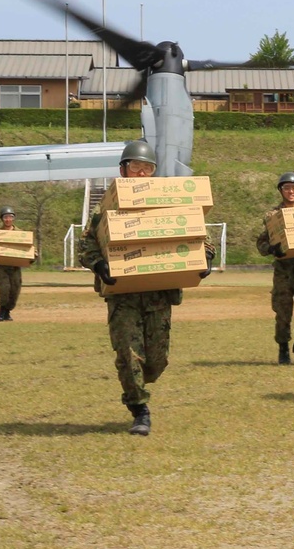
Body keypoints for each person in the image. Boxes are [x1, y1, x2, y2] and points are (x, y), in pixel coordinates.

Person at [78, 140, 215, 436]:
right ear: (123, 170)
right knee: (129, 355)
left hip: (159, 294)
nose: (141, 174)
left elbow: (196, 233)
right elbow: (87, 245)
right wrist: (100, 265)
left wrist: (206, 257)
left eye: (147, 169)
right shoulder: (105, 209)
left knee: (157, 360)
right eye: (136, 167)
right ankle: (140, 409)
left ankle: (139, 382)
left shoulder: (167, 203)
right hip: (122, 295)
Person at [255, 172, 294, 365]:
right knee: (283, 315)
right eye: (286, 188)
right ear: (281, 190)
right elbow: (261, 244)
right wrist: (271, 248)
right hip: (283, 274)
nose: (291, 191)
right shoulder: (273, 217)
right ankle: (283, 348)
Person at [0, 205, 35, 321]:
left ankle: (7, 311)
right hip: (3, 267)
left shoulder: (21, 234)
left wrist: (32, 256)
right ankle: (2, 311)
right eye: (5, 217)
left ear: (13, 218)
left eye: (10, 217)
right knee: (4, 289)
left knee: (15, 291)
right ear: (2, 219)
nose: (8, 219)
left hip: (16, 267)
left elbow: (30, 247)